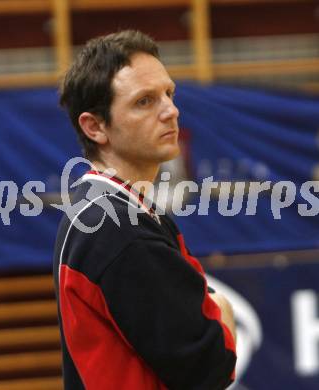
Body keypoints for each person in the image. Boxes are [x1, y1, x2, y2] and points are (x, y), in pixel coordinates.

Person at [53, 30, 237, 390]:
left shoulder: (104, 206)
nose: (171, 111)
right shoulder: (119, 230)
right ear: (95, 126)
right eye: (144, 101)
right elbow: (211, 364)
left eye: (169, 93)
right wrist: (225, 310)